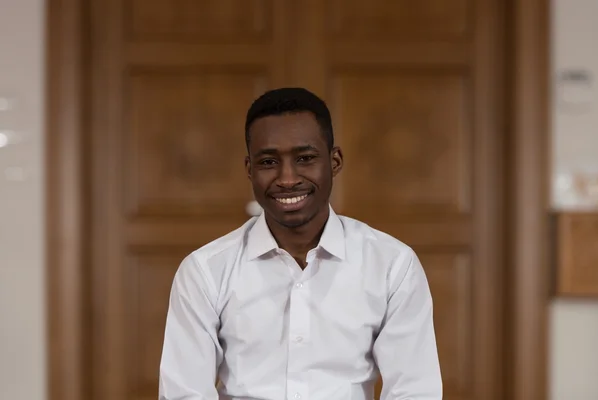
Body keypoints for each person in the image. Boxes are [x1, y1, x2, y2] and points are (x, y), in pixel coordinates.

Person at [158, 87, 443, 400]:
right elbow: (184, 395)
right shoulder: (205, 271)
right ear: (249, 170)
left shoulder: (392, 265)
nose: (288, 178)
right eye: (268, 162)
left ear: (334, 162)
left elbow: (414, 392)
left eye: (305, 158)